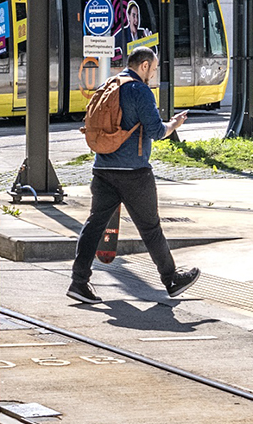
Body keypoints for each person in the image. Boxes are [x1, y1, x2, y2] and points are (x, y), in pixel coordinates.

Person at [67, 46, 200, 304]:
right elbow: (154, 131)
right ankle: (171, 279)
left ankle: (79, 282)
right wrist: (174, 124)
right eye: (154, 67)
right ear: (145, 66)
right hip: (134, 173)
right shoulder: (139, 90)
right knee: (150, 228)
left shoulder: (110, 84)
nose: (154, 73)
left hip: (103, 168)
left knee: (94, 225)